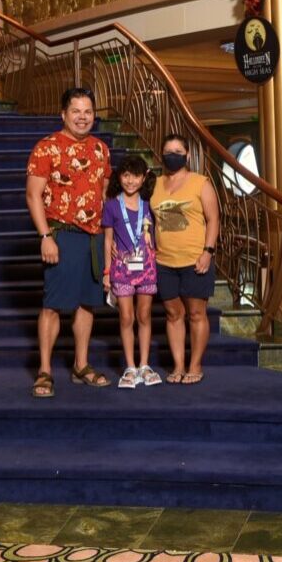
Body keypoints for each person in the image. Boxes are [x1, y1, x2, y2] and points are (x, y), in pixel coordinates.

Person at [26, 87, 111, 397]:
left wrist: (109, 239)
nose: (82, 117)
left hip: (93, 237)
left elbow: (104, 196)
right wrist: (45, 236)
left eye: (88, 111)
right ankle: (45, 370)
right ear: (63, 114)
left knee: (87, 304)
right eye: (76, 111)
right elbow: (33, 195)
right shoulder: (46, 148)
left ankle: (81, 364)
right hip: (60, 235)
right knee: (52, 306)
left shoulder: (101, 149)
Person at [150, 134, 220, 384]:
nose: (173, 155)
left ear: (187, 155)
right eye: (168, 151)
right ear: (161, 154)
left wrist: (208, 252)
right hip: (164, 261)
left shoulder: (201, 183)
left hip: (195, 259)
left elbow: (213, 219)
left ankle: (195, 364)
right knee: (172, 314)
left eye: (178, 151)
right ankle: (178, 365)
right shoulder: (154, 184)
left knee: (197, 314)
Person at [102, 156, 162, 389]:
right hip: (121, 269)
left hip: (147, 268)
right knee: (126, 317)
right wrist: (107, 271)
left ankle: (144, 365)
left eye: (135, 175)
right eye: (125, 175)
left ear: (144, 177)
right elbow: (108, 241)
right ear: (119, 176)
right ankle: (130, 366)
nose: (130, 181)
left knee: (144, 315)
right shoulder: (112, 205)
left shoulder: (150, 203)